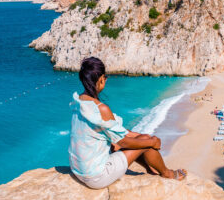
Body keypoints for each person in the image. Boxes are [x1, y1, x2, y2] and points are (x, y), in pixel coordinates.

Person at [68, 56, 187, 189]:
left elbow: (117, 130)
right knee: (145, 142)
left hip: (78, 169)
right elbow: (123, 142)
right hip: (96, 177)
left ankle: (150, 168)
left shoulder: (78, 101)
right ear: (101, 79)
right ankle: (167, 173)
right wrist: (151, 142)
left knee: (140, 139)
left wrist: (138, 136)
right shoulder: (101, 108)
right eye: (105, 77)